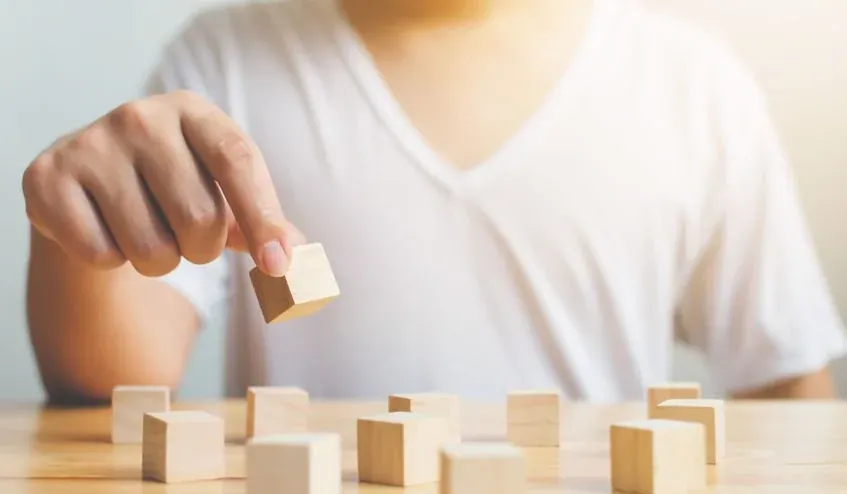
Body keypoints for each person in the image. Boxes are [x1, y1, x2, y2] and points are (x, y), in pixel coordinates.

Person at [22, 0, 847, 404]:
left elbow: (788, 403)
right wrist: (80, 231)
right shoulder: (226, 60)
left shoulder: (694, 90)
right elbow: (109, 385)